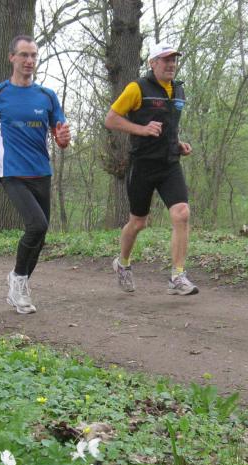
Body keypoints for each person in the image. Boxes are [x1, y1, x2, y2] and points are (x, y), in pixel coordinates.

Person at [0, 35, 71, 314]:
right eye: (24, 55)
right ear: (12, 57)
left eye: (33, 55)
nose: (29, 61)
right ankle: (18, 281)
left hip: (41, 171)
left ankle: (19, 282)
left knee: (41, 233)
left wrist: (63, 139)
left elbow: (60, 136)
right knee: (36, 225)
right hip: (11, 172)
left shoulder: (47, 96)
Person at [104, 41, 197, 296]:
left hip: (169, 164)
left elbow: (168, 126)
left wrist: (178, 143)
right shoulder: (137, 88)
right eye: (166, 60)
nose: (171, 64)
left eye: (174, 60)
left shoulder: (179, 90)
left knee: (181, 213)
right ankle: (123, 263)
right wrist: (141, 130)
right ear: (153, 63)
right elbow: (111, 119)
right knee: (138, 223)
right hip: (143, 165)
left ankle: (178, 276)